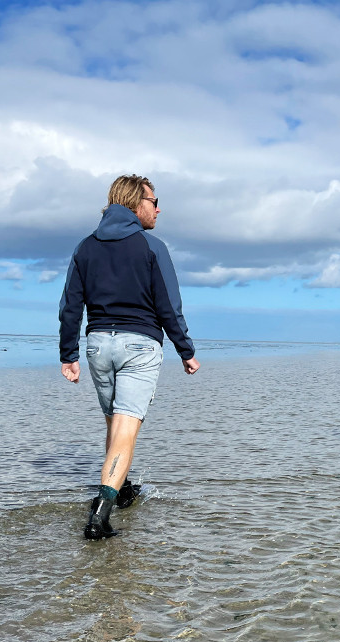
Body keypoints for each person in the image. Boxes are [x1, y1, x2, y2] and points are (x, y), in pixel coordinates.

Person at [59, 174, 200, 540]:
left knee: (113, 425)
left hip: (98, 346)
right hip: (139, 346)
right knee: (125, 430)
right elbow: (169, 305)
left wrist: (68, 353)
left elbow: (71, 304)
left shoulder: (85, 247)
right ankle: (100, 516)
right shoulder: (152, 246)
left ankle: (121, 490)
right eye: (154, 201)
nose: (158, 208)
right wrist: (186, 350)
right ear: (136, 203)